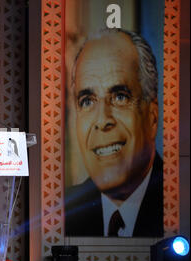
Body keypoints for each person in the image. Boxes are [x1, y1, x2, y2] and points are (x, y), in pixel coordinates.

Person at [65, 29, 164, 237]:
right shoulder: (62, 214)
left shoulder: (177, 205)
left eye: (120, 97)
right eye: (87, 101)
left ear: (152, 116)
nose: (102, 120)